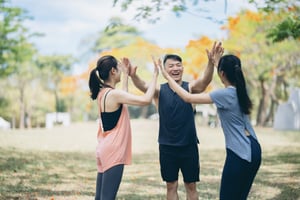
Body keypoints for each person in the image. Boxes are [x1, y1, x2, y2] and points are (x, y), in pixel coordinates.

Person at [128, 42, 223, 200]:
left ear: (182, 68)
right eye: (171, 66)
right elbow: (144, 86)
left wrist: (210, 63)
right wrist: (133, 75)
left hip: (189, 146)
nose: (175, 69)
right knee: (171, 186)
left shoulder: (190, 88)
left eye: (178, 65)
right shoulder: (159, 90)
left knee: (191, 186)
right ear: (165, 70)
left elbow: (204, 81)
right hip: (167, 147)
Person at [160, 54, 262, 200]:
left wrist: (167, 76)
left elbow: (188, 98)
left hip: (240, 151)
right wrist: (215, 63)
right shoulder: (241, 90)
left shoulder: (223, 94)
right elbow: (225, 75)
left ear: (221, 73)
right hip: (254, 148)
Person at [88, 55, 158, 200]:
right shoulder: (113, 94)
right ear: (113, 71)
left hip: (104, 149)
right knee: (107, 197)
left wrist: (126, 75)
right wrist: (155, 76)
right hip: (114, 151)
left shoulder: (104, 93)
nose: (120, 71)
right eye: (119, 69)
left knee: (100, 197)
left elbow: (123, 97)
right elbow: (146, 100)